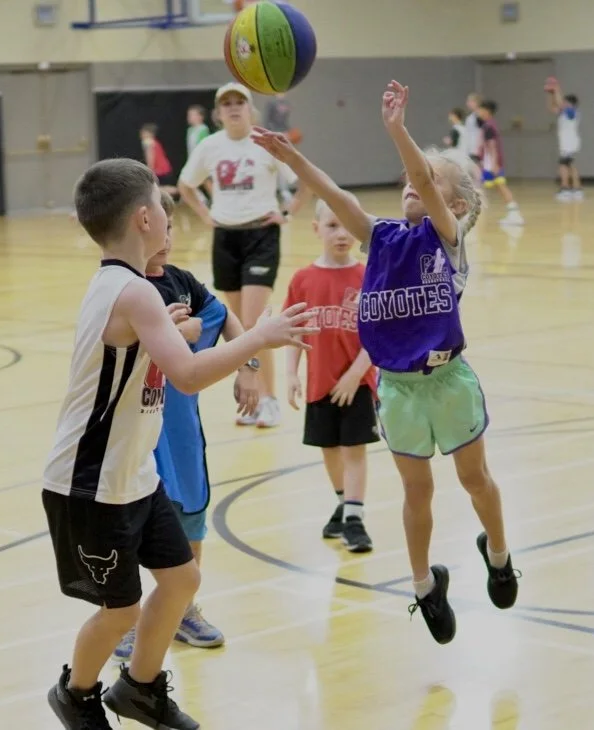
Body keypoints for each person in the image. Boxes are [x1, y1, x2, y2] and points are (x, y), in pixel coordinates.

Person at [42, 157, 316, 730]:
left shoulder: (126, 288)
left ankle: (140, 689)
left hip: (132, 474)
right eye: (164, 210)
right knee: (119, 610)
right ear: (145, 219)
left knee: (182, 577)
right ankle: (76, 693)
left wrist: (167, 330)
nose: (171, 221)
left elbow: (146, 352)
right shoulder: (133, 293)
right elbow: (189, 375)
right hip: (90, 482)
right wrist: (259, 337)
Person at [252, 79, 520, 647]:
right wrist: (293, 156)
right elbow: (341, 199)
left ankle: (498, 554)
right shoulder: (382, 238)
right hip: (397, 390)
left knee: (474, 479)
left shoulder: (446, 242)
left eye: (429, 181)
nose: (412, 185)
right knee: (415, 492)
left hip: (448, 382)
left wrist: (398, 130)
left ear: (458, 206)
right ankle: (424, 587)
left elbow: (423, 175)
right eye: (409, 181)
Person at [110, 194, 254, 660]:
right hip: (135, 430)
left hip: (181, 428)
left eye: (173, 229)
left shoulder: (183, 283)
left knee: (191, 514)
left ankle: (185, 609)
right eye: (160, 229)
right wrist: (174, 336)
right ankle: (128, 618)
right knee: (133, 522)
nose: (167, 239)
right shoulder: (124, 288)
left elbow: (225, 317)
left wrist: (249, 363)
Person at [178, 82, 311, 429]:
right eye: (227, 104)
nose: (234, 108)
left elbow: (304, 179)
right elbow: (185, 184)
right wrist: (206, 215)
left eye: (240, 102)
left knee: (254, 323)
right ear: (218, 113)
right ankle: (251, 397)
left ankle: (269, 399)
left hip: (261, 234)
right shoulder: (210, 146)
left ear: (250, 110)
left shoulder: (264, 142)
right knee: (236, 326)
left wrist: (289, 212)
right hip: (226, 236)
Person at [283, 199, 378, 553]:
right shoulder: (303, 279)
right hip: (319, 382)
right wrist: (291, 373)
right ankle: (343, 503)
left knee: (354, 448)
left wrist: (357, 372)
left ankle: (355, 518)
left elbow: (379, 334)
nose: (341, 234)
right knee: (328, 447)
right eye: (332, 226)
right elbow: (292, 331)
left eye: (347, 227)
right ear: (316, 228)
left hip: (359, 382)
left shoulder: (369, 275)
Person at [475, 101, 524, 226]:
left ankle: (515, 214)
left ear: (487, 111)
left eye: (480, 110)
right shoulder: (489, 125)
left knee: (500, 186)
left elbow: (492, 146)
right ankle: (512, 213)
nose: (478, 113)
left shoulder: (489, 127)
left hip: (491, 163)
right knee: (491, 187)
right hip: (488, 163)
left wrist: (495, 164)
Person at [544, 79, 582, 202]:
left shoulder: (572, 112)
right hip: (567, 142)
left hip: (569, 142)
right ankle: (576, 190)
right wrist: (550, 94)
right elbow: (552, 108)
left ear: (571, 104)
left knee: (563, 165)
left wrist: (557, 90)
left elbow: (560, 104)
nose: (563, 103)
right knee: (570, 165)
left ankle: (565, 189)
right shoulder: (564, 112)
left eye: (566, 102)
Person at [139, 123, 176, 198]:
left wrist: (150, 170)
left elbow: (150, 158)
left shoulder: (148, 142)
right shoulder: (153, 142)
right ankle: (182, 190)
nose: (141, 134)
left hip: (160, 170)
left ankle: (182, 190)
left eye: (143, 132)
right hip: (164, 169)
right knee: (157, 188)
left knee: (154, 188)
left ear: (149, 133)